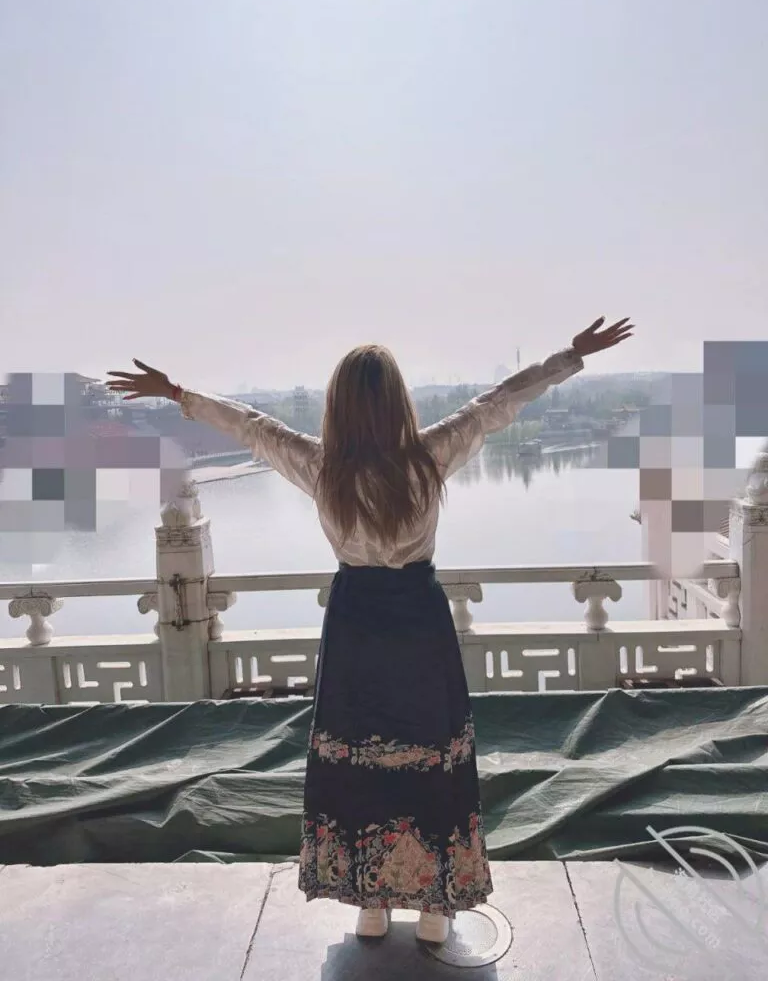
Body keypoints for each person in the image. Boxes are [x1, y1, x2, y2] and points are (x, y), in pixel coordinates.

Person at [106, 315, 633, 943]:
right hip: (419, 622)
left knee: (357, 758)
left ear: (339, 407)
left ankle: (371, 903)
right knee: (432, 754)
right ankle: (435, 907)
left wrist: (176, 394)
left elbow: (250, 426)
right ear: (398, 404)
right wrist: (569, 355)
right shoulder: (429, 456)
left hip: (356, 623)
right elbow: (498, 404)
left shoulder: (321, 467)